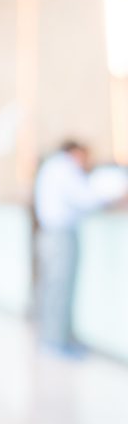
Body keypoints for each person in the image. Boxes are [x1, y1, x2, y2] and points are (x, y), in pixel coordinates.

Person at [33, 140, 126, 355]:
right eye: (85, 157)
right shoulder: (64, 168)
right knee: (60, 289)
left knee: (54, 289)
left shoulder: (53, 166)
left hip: (51, 234)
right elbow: (84, 198)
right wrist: (115, 195)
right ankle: (56, 342)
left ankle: (56, 338)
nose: (86, 163)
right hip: (60, 235)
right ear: (75, 152)